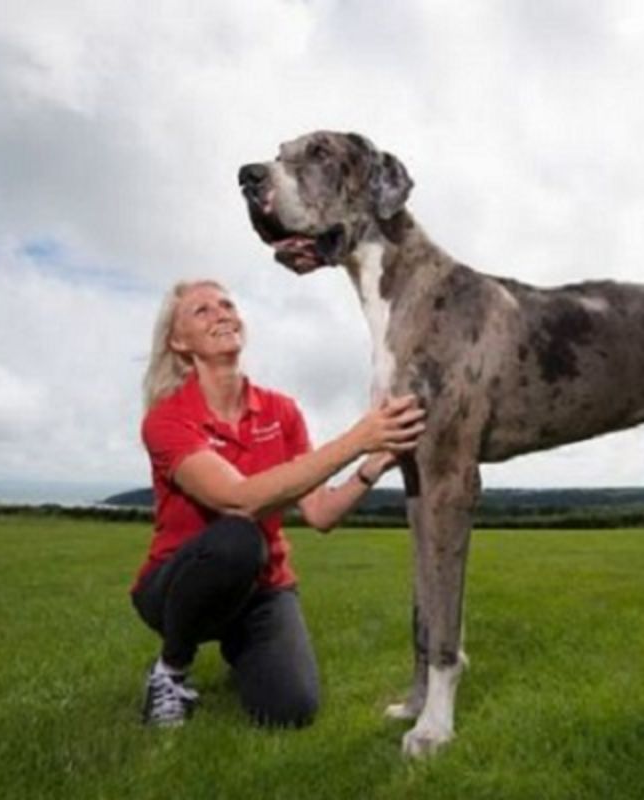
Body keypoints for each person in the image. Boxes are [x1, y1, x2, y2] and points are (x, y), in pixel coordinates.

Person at [131, 279, 425, 728]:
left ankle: (242, 648)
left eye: (227, 304)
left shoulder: (280, 411)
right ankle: (171, 670)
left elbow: (321, 514)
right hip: (176, 587)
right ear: (178, 342)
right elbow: (237, 500)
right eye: (202, 310)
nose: (222, 313)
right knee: (238, 538)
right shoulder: (167, 420)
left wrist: (370, 466)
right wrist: (358, 438)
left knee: (290, 710)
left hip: (262, 587)